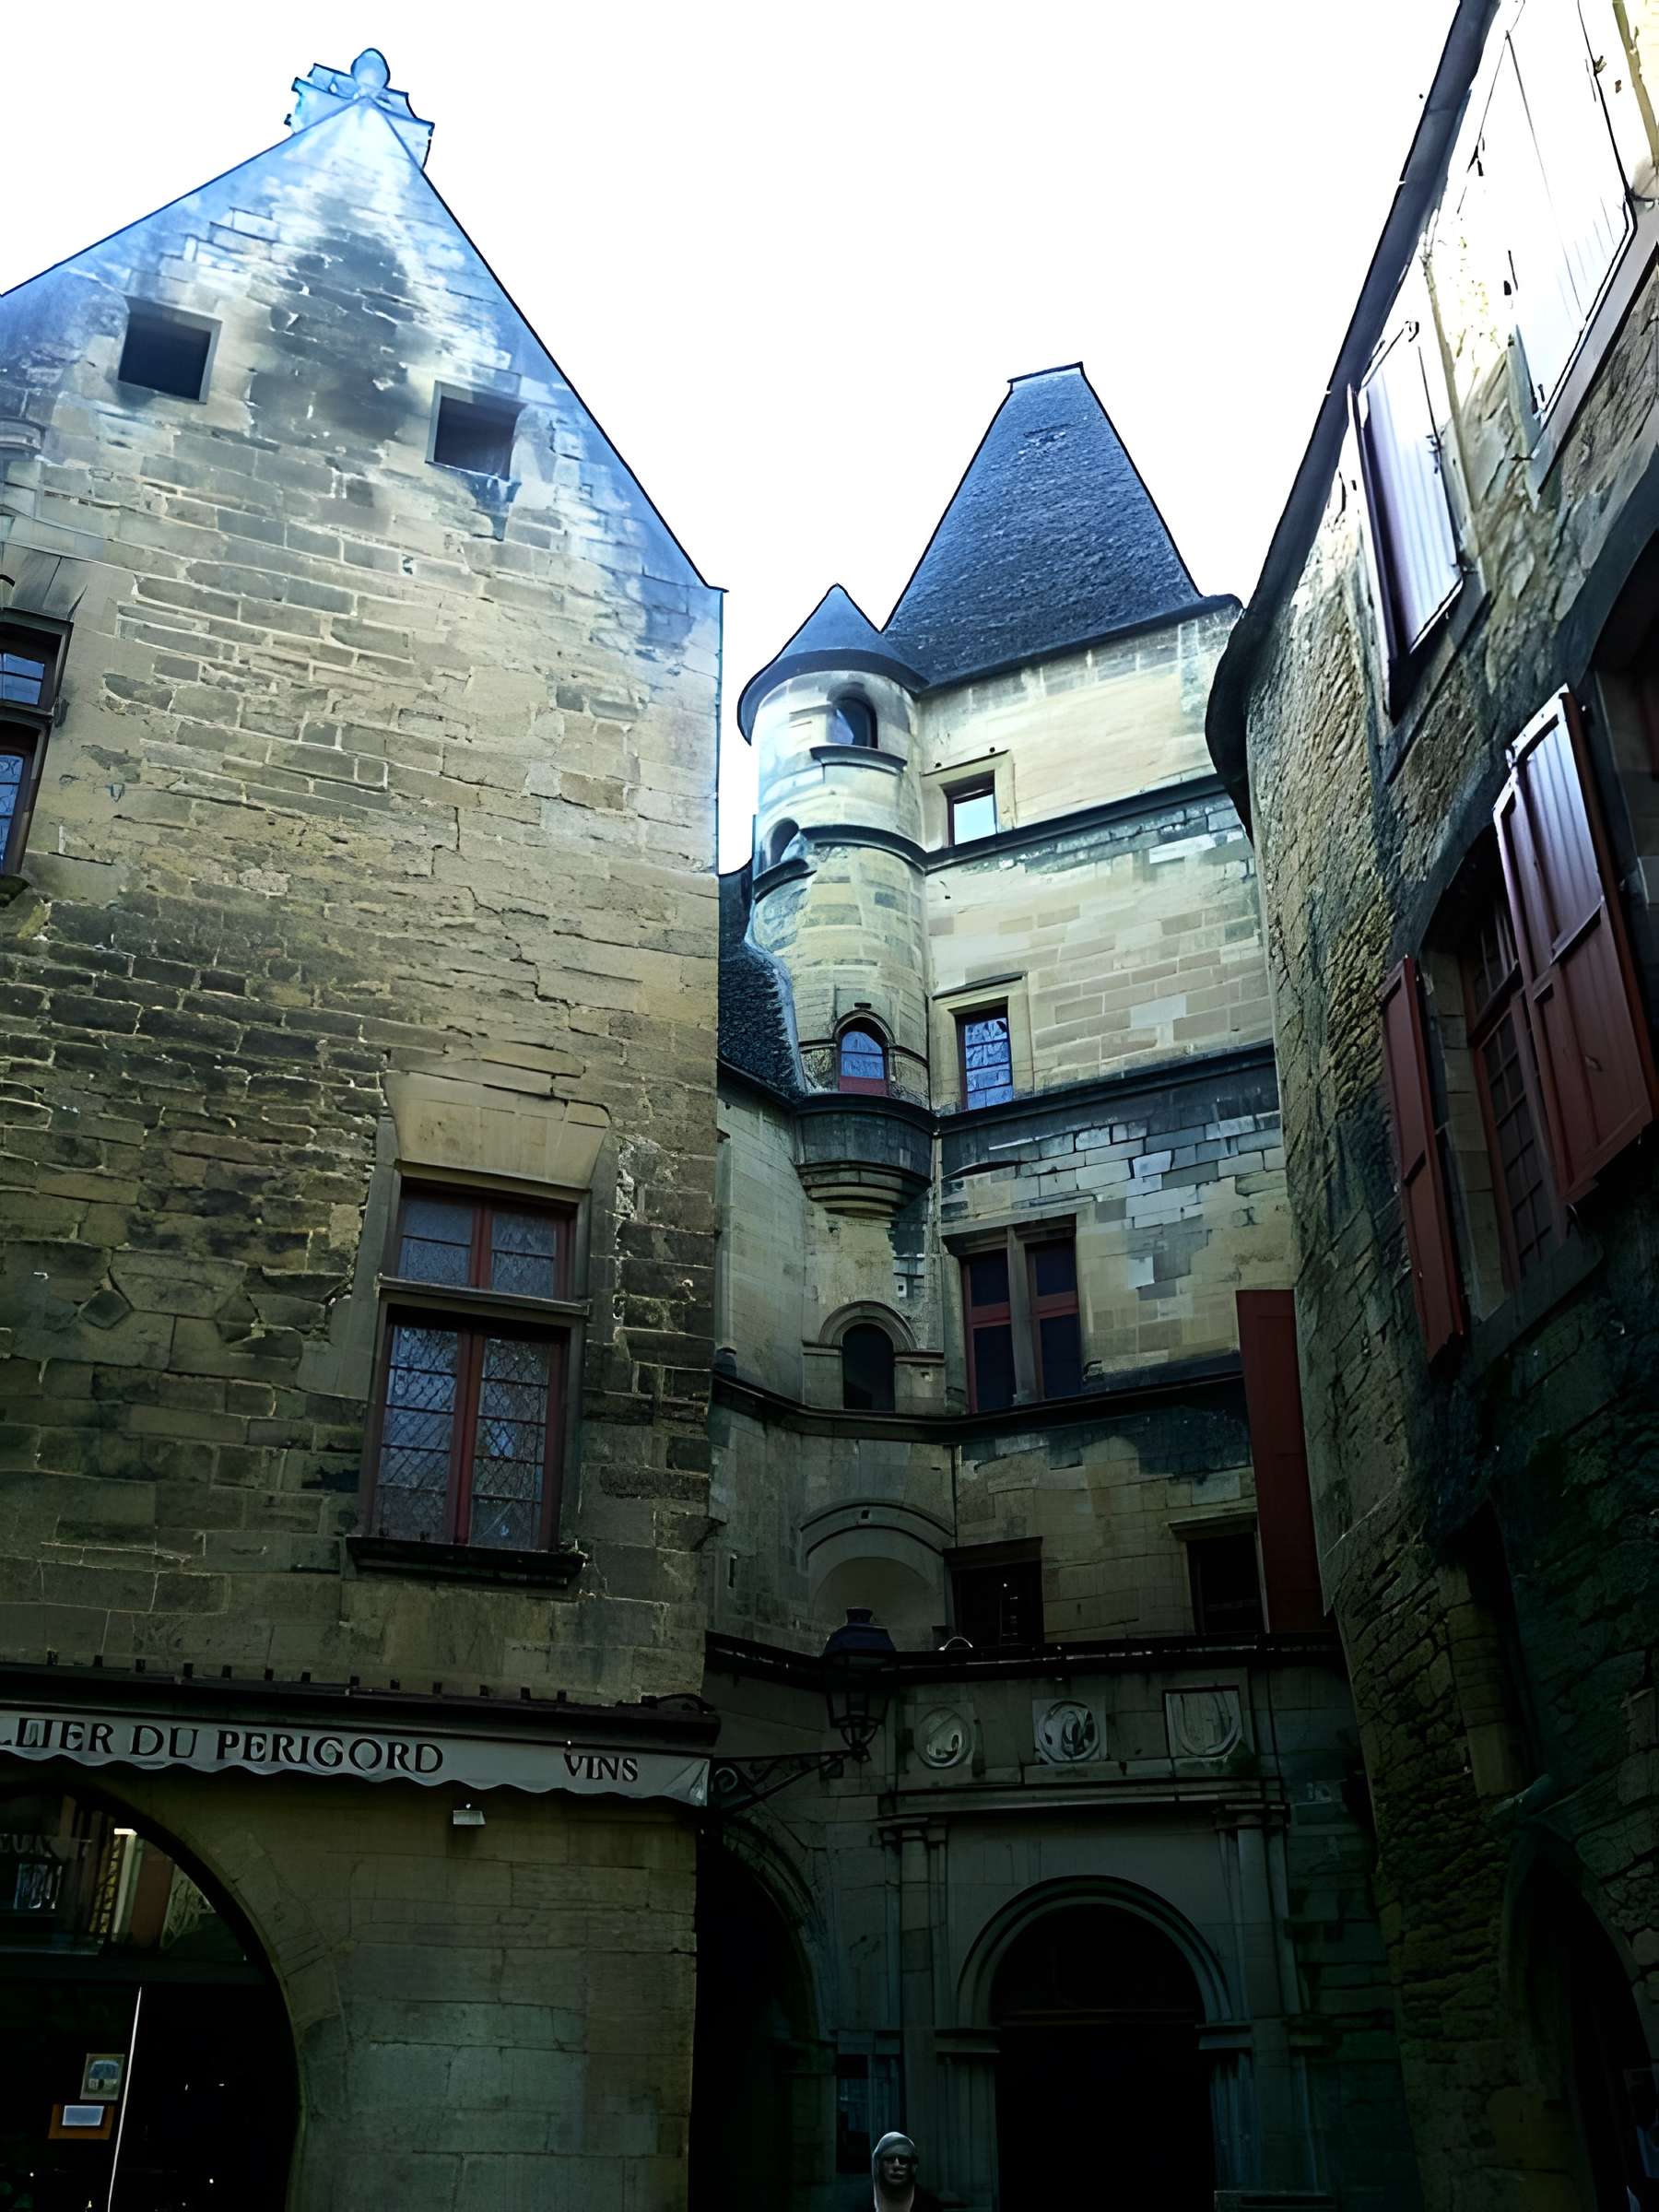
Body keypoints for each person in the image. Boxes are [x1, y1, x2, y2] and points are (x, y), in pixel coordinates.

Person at [870, 2130, 943, 2212]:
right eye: (890, 2159)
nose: (896, 2165)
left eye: (903, 2160)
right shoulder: (858, 2202)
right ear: (878, 2164)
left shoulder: (930, 2205)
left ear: (913, 2166)